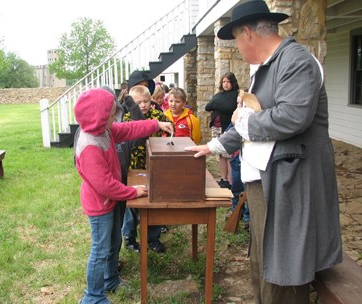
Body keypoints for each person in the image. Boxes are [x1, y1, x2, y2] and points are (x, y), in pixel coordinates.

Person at [185, 1, 342, 303]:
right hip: (264, 181)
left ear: (247, 34)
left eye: (236, 39)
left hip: (289, 183)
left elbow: (293, 116)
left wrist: (244, 118)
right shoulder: (267, 67)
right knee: (263, 262)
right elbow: (248, 124)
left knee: (283, 268)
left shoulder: (296, 61)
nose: (238, 47)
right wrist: (214, 146)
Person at [74, 88, 173, 304]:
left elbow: (129, 129)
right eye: (111, 114)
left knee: (114, 241)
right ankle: (92, 297)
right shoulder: (90, 145)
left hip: (111, 201)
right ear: (98, 115)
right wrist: (132, 191)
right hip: (100, 206)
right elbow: (105, 185)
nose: (114, 117)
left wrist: (156, 124)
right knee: (100, 250)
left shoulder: (104, 131)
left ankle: (110, 280)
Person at [121, 85, 171, 253]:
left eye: (146, 101)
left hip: (154, 166)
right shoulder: (127, 119)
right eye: (138, 102)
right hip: (133, 165)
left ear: (151, 101)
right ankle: (129, 236)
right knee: (133, 203)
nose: (142, 105)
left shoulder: (158, 116)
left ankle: (153, 237)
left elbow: (169, 131)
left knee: (154, 200)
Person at [205, 72, 239, 188]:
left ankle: (230, 180)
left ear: (232, 83)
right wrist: (219, 104)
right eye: (224, 82)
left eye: (228, 82)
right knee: (220, 154)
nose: (225, 84)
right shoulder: (219, 95)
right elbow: (208, 106)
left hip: (227, 128)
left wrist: (217, 105)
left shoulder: (235, 95)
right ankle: (223, 178)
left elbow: (229, 107)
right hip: (217, 127)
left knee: (228, 154)